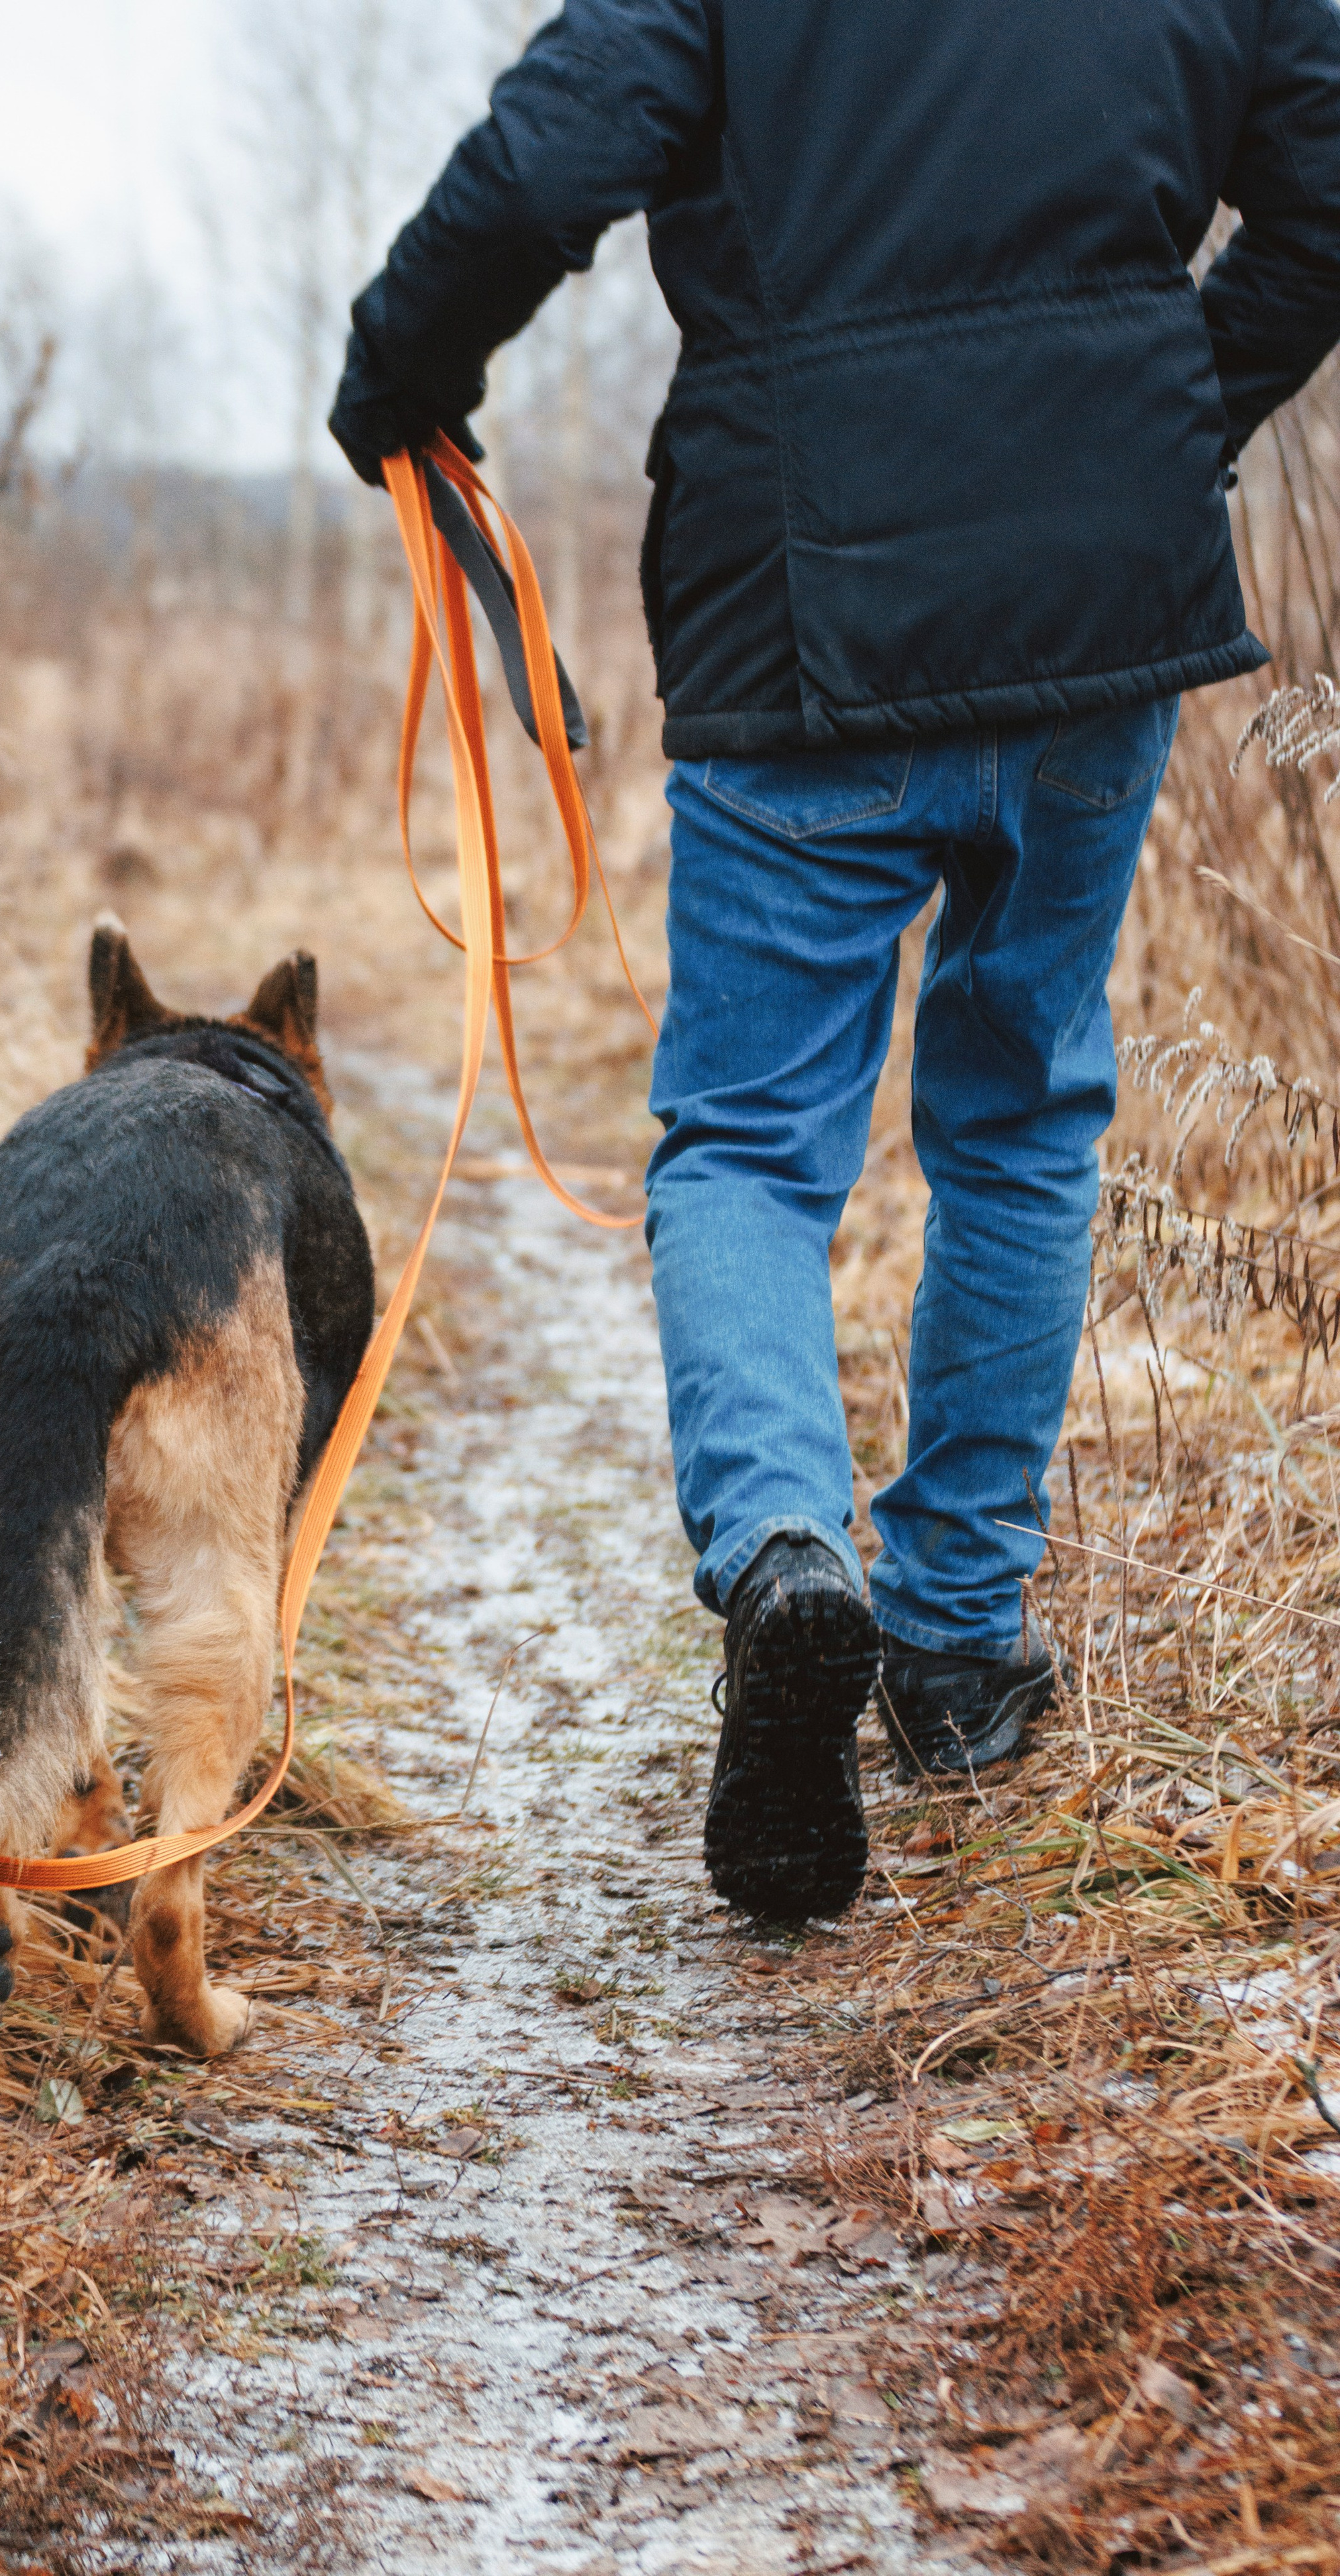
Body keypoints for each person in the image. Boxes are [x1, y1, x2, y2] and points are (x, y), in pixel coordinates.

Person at [328, 0, 1340, 1922]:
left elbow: (550, 161)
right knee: (1027, 1112)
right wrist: (1142, 418)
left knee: (747, 1147)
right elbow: (1325, 206)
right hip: (1095, 599)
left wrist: (401, 366)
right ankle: (958, 1655)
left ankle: (792, 1549)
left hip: (804, 599)